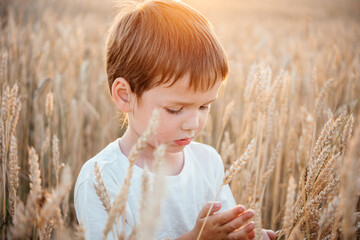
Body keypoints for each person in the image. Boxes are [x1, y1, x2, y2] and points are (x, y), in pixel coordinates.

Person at [74, 0, 276, 239]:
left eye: (204, 106)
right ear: (125, 96)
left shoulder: (208, 163)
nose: (193, 123)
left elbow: (225, 232)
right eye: (176, 109)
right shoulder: (102, 179)